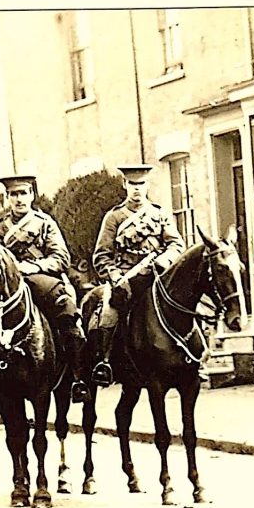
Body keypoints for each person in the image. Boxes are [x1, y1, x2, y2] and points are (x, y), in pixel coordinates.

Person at [0, 176, 91, 404]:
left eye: (23, 193)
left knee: (68, 313)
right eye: (14, 195)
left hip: (42, 280)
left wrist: (29, 267)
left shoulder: (44, 223)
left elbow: (61, 258)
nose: (19, 199)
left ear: (31, 195)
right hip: (7, 288)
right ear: (8, 198)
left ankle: (78, 378)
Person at [89, 165, 185, 386]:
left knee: (186, 305)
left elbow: (176, 244)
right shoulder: (114, 217)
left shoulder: (159, 214)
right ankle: (105, 362)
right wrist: (114, 275)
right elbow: (101, 255)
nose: (137, 190)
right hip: (126, 280)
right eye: (132, 185)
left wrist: (163, 260)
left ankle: (193, 358)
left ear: (147, 185)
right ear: (125, 185)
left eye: (141, 184)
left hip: (157, 278)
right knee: (108, 313)